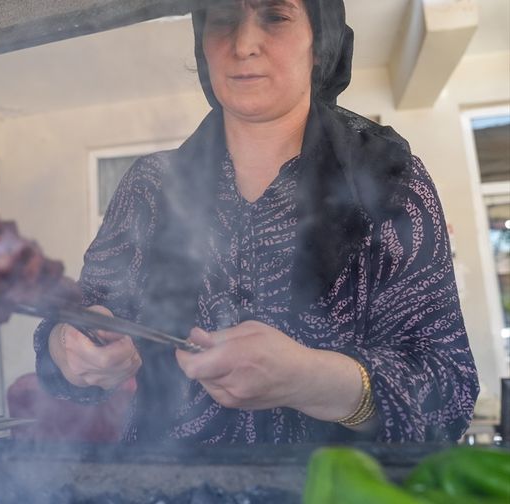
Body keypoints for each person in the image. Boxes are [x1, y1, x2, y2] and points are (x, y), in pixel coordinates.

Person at [33, 0, 479, 444]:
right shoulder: (150, 185)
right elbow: (83, 323)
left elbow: (450, 391)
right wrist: (70, 347)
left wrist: (310, 378)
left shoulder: (388, 181)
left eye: (276, 16)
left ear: (320, 44)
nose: (243, 43)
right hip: (165, 486)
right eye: (223, 19)